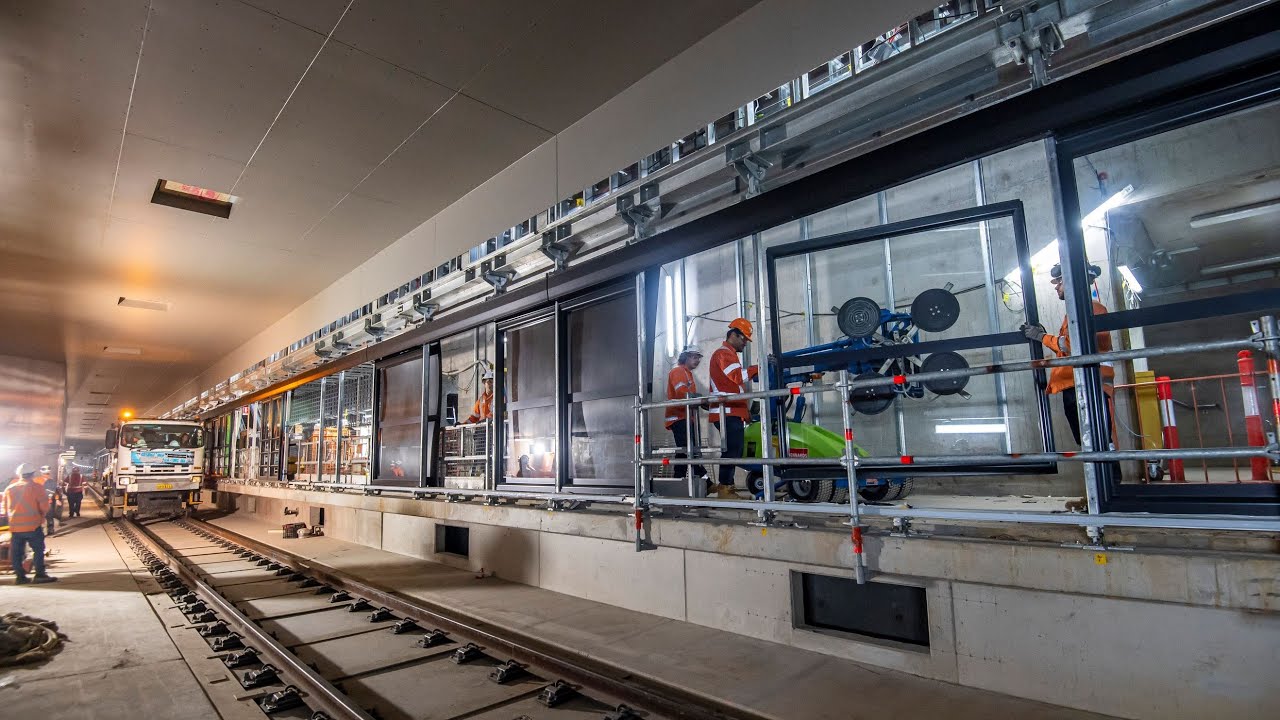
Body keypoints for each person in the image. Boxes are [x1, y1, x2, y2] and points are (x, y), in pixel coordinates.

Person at [1021, 263, 1120, 500]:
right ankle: (1102, 495)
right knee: (1089, 444)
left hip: (1090, 386)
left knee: (1098, 442)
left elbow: (1074, 344)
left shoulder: (1093, 309)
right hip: (1075, 386)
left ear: (1072, 281)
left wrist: (1042, 337)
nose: (1056, 288)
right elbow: (1068, 347)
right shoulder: (1077, 313)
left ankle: (1110, 495)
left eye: (1059, 282)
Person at [708, 318, 759, 499]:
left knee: (734, 449)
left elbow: (734, 386)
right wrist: (757, 369)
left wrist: (744, 412)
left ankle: (727, 487)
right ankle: (725, 488)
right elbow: (737, 377)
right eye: (743, 338)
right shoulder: (723, 354)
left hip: (731, 411)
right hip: (725, 412)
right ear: (733, 335)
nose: (745, 343)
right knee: (731, 450)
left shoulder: (729, 355)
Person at [2, 464, 57, 584]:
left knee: (17, 553)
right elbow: (45, 507)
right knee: (38, 550)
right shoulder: (36, 487)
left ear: (19, 474)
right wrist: (41, 517)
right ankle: (39, 575)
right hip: (33, 526)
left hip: (15, 528)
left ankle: (20, 577)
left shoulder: (9, 489)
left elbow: (5, 509)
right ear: (32, 474)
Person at [666, 345, 708, 483]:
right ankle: (706, 482)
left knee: (685, 451)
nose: (697, 360)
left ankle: (678, 481)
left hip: (686, 417)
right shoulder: (678, 371)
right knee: (689, 450)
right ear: (685, 357)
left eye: (698, 358)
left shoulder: (687, 373)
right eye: (694, 357)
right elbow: (681, 393)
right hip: (679, 417)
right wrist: (698, 398)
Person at [35, 466, 61, 535]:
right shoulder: (36, 480)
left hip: (49, 501)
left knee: (49, 516)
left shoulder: (51, 481)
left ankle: (50, 530)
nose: (47, 475)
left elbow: (55, 491)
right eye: (46, 473)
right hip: (39, 502)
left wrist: (57, 499)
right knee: (40, 517)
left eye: (47, 473)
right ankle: (41, 530)